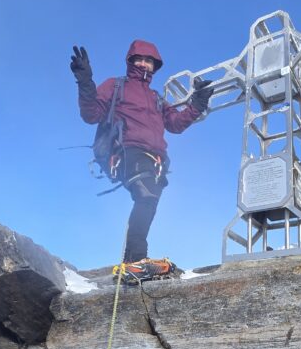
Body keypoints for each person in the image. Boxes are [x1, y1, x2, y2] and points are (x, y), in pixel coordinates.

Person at [71, 39, 213, 280]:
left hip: (156, 159)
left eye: (150, 61)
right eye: (140, 59)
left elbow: (176, 124)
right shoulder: (116, 86)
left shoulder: (156, 98)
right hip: (127, 152)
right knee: (146, 196)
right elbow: (91, 114)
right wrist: (85, 81)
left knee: (149, 201)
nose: (145, 64)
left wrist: (197, 104)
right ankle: (135, 261)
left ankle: (132, 262)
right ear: (131, 60)